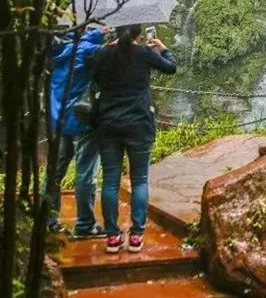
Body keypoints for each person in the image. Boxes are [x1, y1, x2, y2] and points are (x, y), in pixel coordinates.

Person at [91, 24, 176, 253]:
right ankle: (136, 236)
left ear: (116, 33)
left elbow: (92, 75)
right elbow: (171, 68)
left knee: (110, 181)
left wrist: (106, 47)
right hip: (139, 124)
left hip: (108, 124)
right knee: (139, 180)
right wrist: (163, 49)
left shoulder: (102, 53)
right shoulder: (145, 53)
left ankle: (112, 237)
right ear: (139, 35)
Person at [45, 27, 106, 237]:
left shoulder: (56, 50)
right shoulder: (89, 49)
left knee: (54, 173)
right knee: (85, 174)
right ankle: (85, 225)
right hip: (82, 120)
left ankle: (48, 221)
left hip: (58, 120)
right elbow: (104, 60)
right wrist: (98, 34)